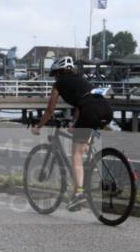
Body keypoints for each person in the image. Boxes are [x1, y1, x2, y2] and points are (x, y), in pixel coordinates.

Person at [31, 56, 114, 211]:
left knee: (75, 154)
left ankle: (79, 194)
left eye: (54, 74)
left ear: (57, 73)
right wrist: (74, 124)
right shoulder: (80, 80)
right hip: (106, 109)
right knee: (83, 146)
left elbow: (50, 110)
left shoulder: (59, 83)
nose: (54, 77)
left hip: (90, 112)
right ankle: (87, 176)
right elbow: (80, 104)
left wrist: (38, 126)